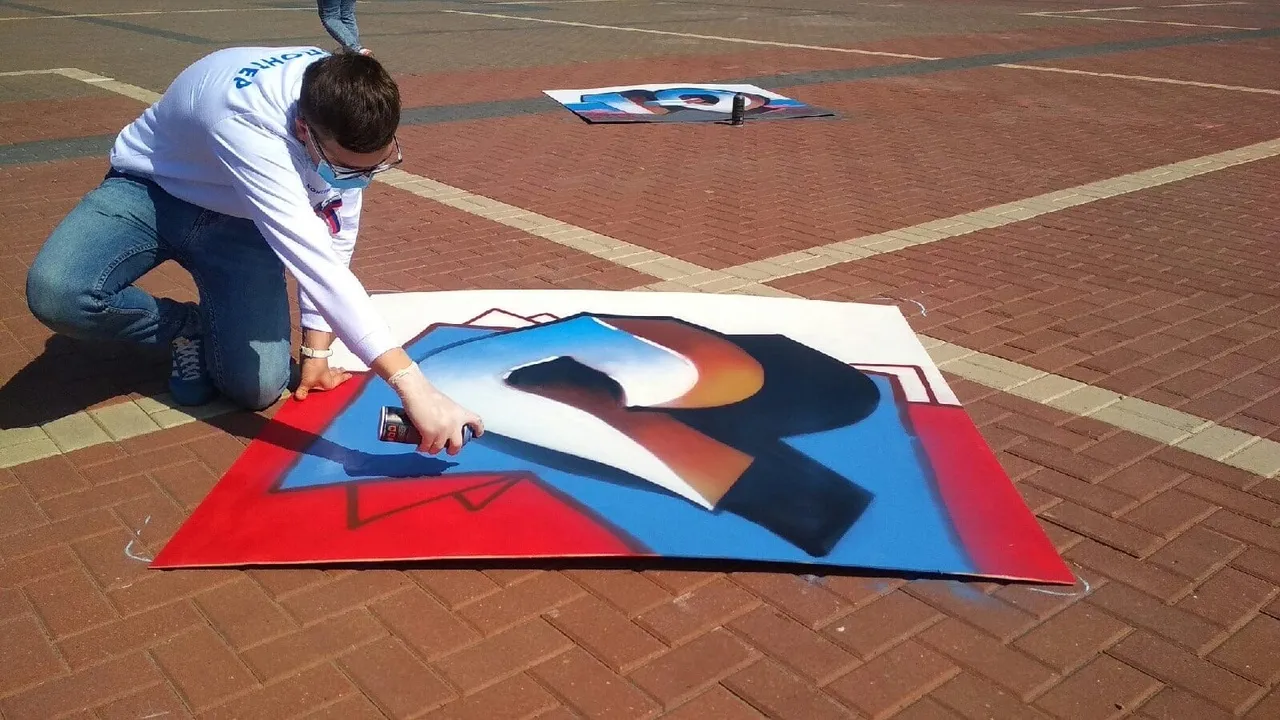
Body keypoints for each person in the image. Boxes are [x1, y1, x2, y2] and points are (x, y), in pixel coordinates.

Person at [25, 46, 482, 456]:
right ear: (303, 130)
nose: (361, 179)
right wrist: (414, 387)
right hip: (153, 190)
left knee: (257, 389)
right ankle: (188, 326)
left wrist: (317, 353)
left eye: (378, 164)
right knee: (59, 293)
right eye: (348, 169)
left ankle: (212, 331)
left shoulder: (344, 97)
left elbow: (336, 233)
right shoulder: (247, 122)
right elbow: (315, 262)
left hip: (242, 222)